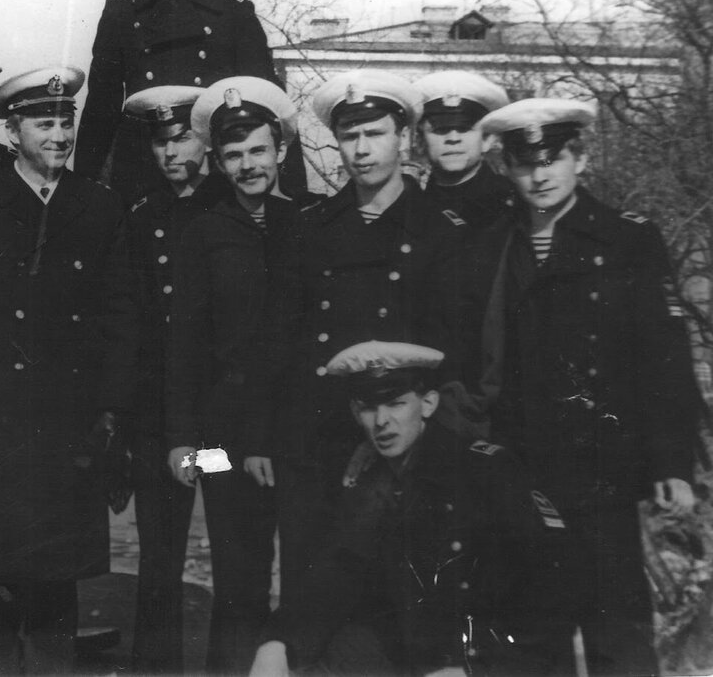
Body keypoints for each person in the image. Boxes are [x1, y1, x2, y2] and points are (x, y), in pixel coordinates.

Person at [461, 97, 701, 675]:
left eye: (553, 159)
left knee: (618, 641)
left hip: (604, 476)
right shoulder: (490, 246)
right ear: (507, 169)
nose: (539, 176)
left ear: (581, 158)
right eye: (524, 163)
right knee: (531, 644)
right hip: (522, 475)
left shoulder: (626, 241)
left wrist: (672, 463)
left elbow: (664, 360)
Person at [0, 66, 138, 674]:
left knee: (54, 579)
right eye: (44, 123)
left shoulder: (99, 205)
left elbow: (121, 316)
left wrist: (112, 412)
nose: (60, 135)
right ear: (12, 130)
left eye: (66, 121)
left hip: (67, 425)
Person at [245, 69, 468, 640]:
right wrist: (261, 438)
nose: (362, 150)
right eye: (350, 137)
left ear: (403, 137)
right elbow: (278, 340)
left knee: (396, 606)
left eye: (375, 133)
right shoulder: (308, 227)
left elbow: (456, 349)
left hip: (398, 445)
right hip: (313, 442)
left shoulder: (442, 232)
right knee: (307, 599)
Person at [250, 341, 575, 677]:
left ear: (429, 403)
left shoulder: (486, 472)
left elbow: (551, 595)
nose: (381, 422)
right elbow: (335, 576)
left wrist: (473, 669)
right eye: (368, 408)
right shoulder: (369, 482)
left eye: (396, 403)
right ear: (353, 412)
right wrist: (277, 643)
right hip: (416, 656)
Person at [165, 76, 310, 674]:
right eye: (233, 155)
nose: (247, 165)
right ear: (218, 163)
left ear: (279, 150)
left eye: (256, 150)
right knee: (238, 581)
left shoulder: (310, 226)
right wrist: (181, 437)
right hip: (223, 444)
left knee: (305, 579)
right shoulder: (202, 232)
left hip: (297, 436)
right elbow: (183, 343)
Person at [75, 0, 305, 204]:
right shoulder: (122, 10)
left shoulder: (235, 16)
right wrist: (81, 191)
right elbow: (100, 109)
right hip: (139, 171)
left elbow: (270, 104)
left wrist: (295, 194)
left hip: (212, 175)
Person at [121, 84, 229, 673]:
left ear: (206, 140)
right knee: (159, 555)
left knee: (235, 548)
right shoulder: (144, 217)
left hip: (221, 426)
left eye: (182, 136)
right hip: (164, 422)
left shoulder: (232, 206)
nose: (170, 153)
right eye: (160, 142)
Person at [413, 70, 513, 229]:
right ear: (420, 141)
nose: (453, 138)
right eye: (441, 129)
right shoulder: (410, 205)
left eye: (464, 128)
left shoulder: (512, 205)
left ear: (487, 140)